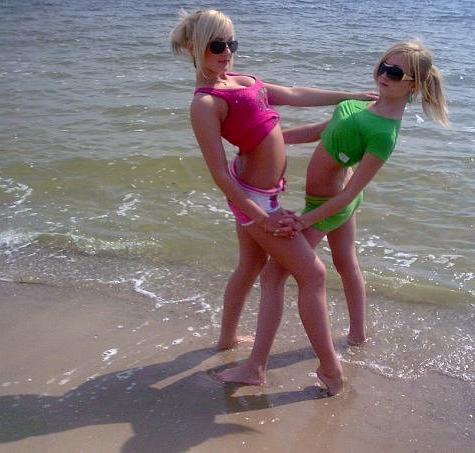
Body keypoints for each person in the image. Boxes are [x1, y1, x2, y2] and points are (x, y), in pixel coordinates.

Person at [216, 39, 449, 387]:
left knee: (273, 276)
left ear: (412, 85)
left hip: (329, 205)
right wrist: (263, 142)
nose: (384, 75)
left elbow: (351, 193)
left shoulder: (384, 133)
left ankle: (260, 367)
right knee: (346, 261)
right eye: (383, 66)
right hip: (330, 200)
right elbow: (318, 131)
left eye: (395, 73)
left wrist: (305, 220)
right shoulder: (360, 104)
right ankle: (358, 335)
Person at [169, 9, 376, 395]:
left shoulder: (243, 81)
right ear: (194, 48)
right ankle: (315, 369)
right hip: (253, 201)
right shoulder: (205, 104)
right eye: (216, 46)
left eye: (231, 43)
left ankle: (228, 340)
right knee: (313, 274)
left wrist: (349, 95)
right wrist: (259, 217)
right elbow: (219, 174)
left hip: (263, 193)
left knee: (250, 266)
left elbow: (295, 95)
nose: (227, 52)